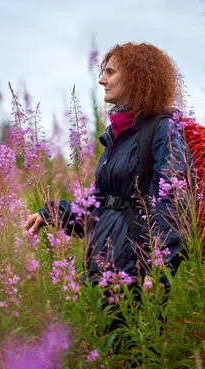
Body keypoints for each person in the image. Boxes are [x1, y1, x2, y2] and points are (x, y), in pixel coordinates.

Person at [23, 42, 190, 293]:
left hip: (138, 274)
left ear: (136, 77)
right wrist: (53, 213)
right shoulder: (118, 135)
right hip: (101, 269)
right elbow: (103, 204)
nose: (102, 80)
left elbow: (174, 201)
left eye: (111, 72)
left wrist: (160, 270)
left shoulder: (162, 129)